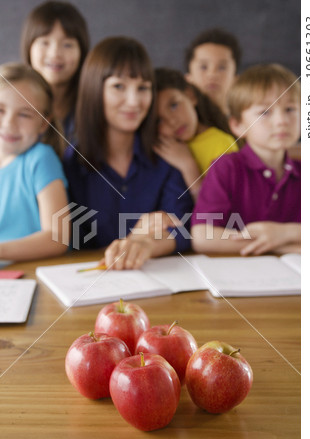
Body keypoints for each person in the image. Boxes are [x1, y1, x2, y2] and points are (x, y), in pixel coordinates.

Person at [63, 37, 194, 270]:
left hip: (159, 282)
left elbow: (182, 227)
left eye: (142, 88)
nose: (134, 102)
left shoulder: (166, 154)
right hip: (92, 282)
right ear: (95, 90)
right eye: (119, 87)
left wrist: (145, 243)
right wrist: (132, 239)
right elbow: (72, 242)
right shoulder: (73, 163)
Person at [191, 63, 301, 256]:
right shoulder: (225, 168)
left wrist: (283, 232)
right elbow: (202, 236)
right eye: (265, 112)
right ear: (237, 125)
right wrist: (278, 246)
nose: (281, 121)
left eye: (290, 109)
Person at [0, 63, 69, 261]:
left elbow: (58, 237)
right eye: (1, 110)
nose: (8, 124)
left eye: (24, 114)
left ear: (43, 124)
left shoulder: (40, 159)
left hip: (29, 276)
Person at [154, 67, 238, 200]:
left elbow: (219, 210)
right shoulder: (165, 148)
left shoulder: (221, 143)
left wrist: (188, 166)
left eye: (174, 105)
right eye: (159, 120)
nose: (172, 121)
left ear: (190, 96)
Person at [20, 1, 90, 145]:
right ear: (29, 48)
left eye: (67, 45)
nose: (55, 54)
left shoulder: (94, 106)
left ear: (82, 51)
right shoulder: (10, 102)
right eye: (45, 42)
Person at [185, 28, 241, 115]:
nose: (212, 75)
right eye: (203, 67)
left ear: (236, 79)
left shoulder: (248, 124)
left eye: (222, 68)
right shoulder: (182, 125)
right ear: (188, 78)